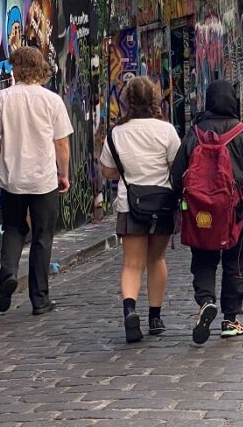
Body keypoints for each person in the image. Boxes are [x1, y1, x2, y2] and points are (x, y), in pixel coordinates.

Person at [172, 80, 243, 343]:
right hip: (236, 213)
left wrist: (184, 205)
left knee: (203, 260)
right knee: (235, 263)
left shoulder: (194, 134)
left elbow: (177, 175)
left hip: (202, 213)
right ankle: (230, 319)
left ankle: (205, 301)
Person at [0, 47, 73, 316]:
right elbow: (62, 143)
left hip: (11, 178)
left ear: (16, 69)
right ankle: (39, 299)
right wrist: (64, 173)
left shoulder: (2, 98)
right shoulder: (51, 100)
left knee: (13, 228)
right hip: (43, 179)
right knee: (42, 237)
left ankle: (8, 275)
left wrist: (7, 151)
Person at [99, 76, 182, 342]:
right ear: (155, 99)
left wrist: (127, 171)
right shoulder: (166, 130)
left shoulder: (116, 132)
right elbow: (177, 167)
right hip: (161, 203)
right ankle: (155, 317)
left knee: (132, 263)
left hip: (130, 205)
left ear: (126, 100)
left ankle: (129, 310)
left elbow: (107, 170)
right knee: (156, 259)